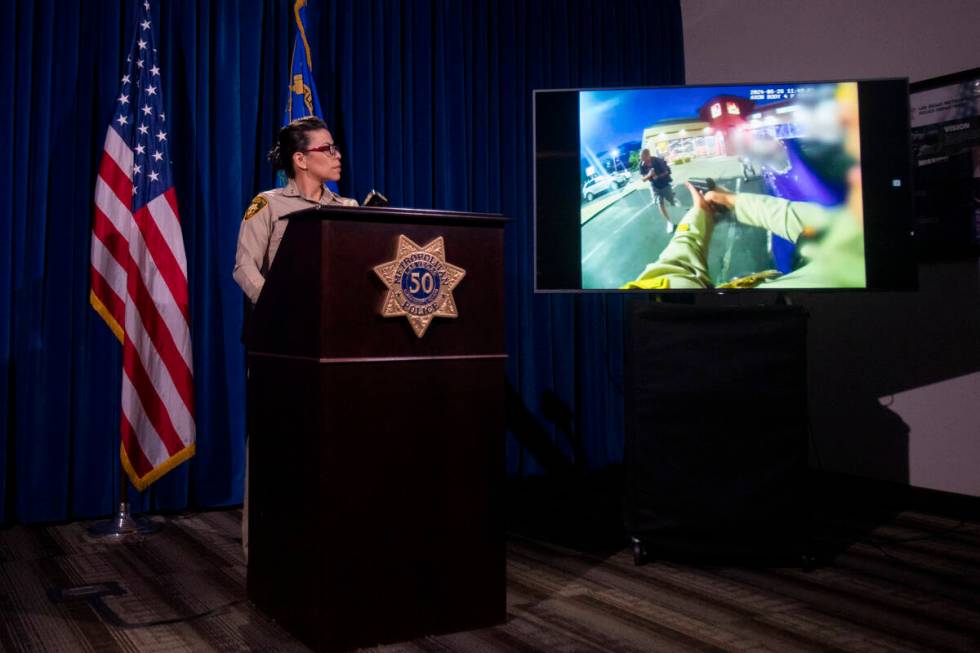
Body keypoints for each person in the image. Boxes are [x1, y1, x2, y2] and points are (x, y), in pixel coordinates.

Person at [233, 116, 358, 561]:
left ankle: (329, 546)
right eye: (327, 149)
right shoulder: (266, 205)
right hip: (279, 345)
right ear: (300, 159)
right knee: (274, 444)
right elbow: (244, 267)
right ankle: (261, 549)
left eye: (336, 147)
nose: (337, 155)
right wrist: (281, 307)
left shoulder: (347, 208)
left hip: (333, 346)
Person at [622, 180, 865, 289]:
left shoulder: (644, 314)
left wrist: (700, 213)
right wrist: (730, 200)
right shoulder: (857, 252)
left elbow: (673, 275)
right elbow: (816, 224)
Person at [639, 148, 677, 232]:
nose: (640, 158)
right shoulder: (641, 165)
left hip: (664, 184)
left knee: (671, 202)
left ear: (648, 156)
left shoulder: (658, 161)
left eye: (642, 157)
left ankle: (676, 214)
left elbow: (667, 171)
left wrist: (658, 176)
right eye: (640, 157)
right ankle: (670, 222)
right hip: (654, 187)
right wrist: (649, 175)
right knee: (660, 203)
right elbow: (643, 179)